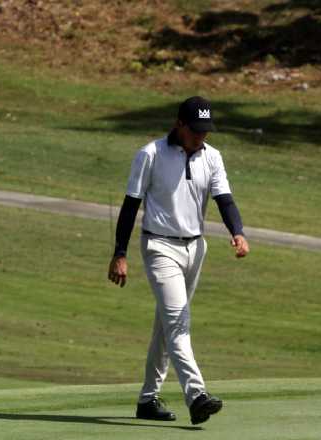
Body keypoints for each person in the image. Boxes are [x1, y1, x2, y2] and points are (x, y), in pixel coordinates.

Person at [107, 96, 249, 425]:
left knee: (166, 326)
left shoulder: (212, 157)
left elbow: (225, 199)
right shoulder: (150, 154)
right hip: (159, 246)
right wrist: (120, 253)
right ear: (180, 124)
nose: (202, 136)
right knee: (178, 322)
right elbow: (130, 206)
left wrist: (238, 232)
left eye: (206, 130)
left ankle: (147, 400)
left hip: (195, 248)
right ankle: (196, 395)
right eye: (196, 130)